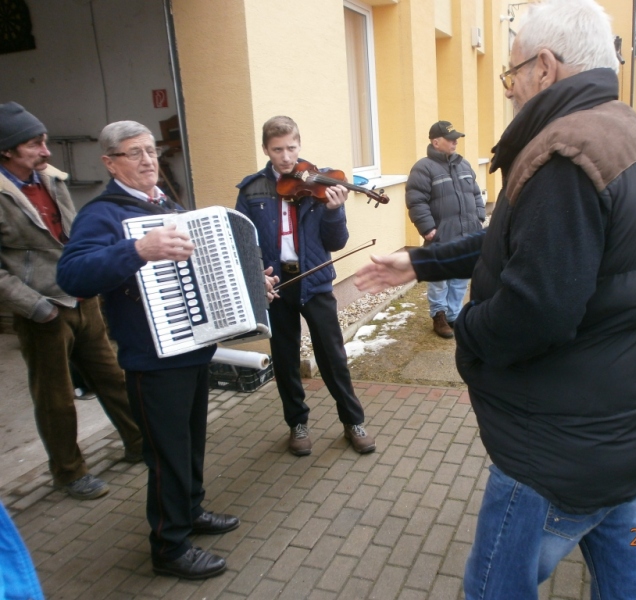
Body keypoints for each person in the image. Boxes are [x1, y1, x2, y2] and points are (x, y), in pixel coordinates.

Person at [356, 0, 636, 596]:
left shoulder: (563, 155)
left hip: (557, 452)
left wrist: (469, 330)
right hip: (627, 433)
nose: (509, 90)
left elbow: (538, 309)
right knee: (628, 587)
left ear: (545, 66)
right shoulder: (620, 126)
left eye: (511, 74)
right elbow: (520, 240)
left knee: (492, 590)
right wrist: (421, 262)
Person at [57, 121, 239, 580]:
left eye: (151, 151)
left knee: (191, 443)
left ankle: (190, 511)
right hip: (151, 359)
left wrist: (251, 286)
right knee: (167, 456)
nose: (147, 160)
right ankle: (169, 546)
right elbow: (73, 275)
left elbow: (198, 267)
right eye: (134, 153)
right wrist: (137, 248)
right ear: (110, 162)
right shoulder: (101, 215)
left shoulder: (169, 206)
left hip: (191, 348)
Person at [0, 102, 142, 501]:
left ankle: (138, 443)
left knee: (113, 377)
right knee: (56, 397)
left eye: (44, 140)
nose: (46, 150)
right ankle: (68, 472)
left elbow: (75, 236)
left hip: (83, 298)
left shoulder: (51, 179)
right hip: (42, 308)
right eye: (34, 144)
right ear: (7, 150)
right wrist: (34, 306)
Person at [235, 115, 375, 457]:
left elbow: (337, 241)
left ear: (300, 145)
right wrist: (257, 277)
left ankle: (352, 422)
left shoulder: (319, 182)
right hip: (277, 283)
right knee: (284, 357)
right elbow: (242, 241)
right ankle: (297, 424)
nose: (286, 156)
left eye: (292, 148)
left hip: (314, 280)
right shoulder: (252, 189)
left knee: (333, 355)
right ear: (266, 149)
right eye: (278, 149)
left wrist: (333, 211)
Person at [405, 121, 485, 338]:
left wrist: (479, 216)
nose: (455, 142)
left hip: (466, 232)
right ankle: (438, 315)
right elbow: (416, 201)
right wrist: (429, 229)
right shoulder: (423, 167)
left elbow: (476, 194)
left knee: (460, 278)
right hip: (441, 235)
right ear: (435, 141)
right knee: (439, 280)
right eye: (451, 138)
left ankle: (454, 315)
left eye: (456, 138)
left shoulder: (464, 164)